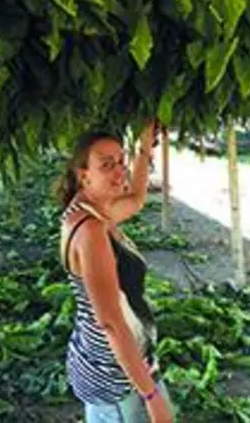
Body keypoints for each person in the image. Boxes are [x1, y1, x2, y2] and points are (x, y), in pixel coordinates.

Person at [55, 120, 174, 423]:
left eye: (121, 161)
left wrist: (145, 146)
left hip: (115, 364)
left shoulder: (89, 210)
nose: (120, 170)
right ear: (84, 176)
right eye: (107, 165)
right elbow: (110, 323)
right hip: (116, 378)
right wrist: (151, 396)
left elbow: (135, 199)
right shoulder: (91, 229)